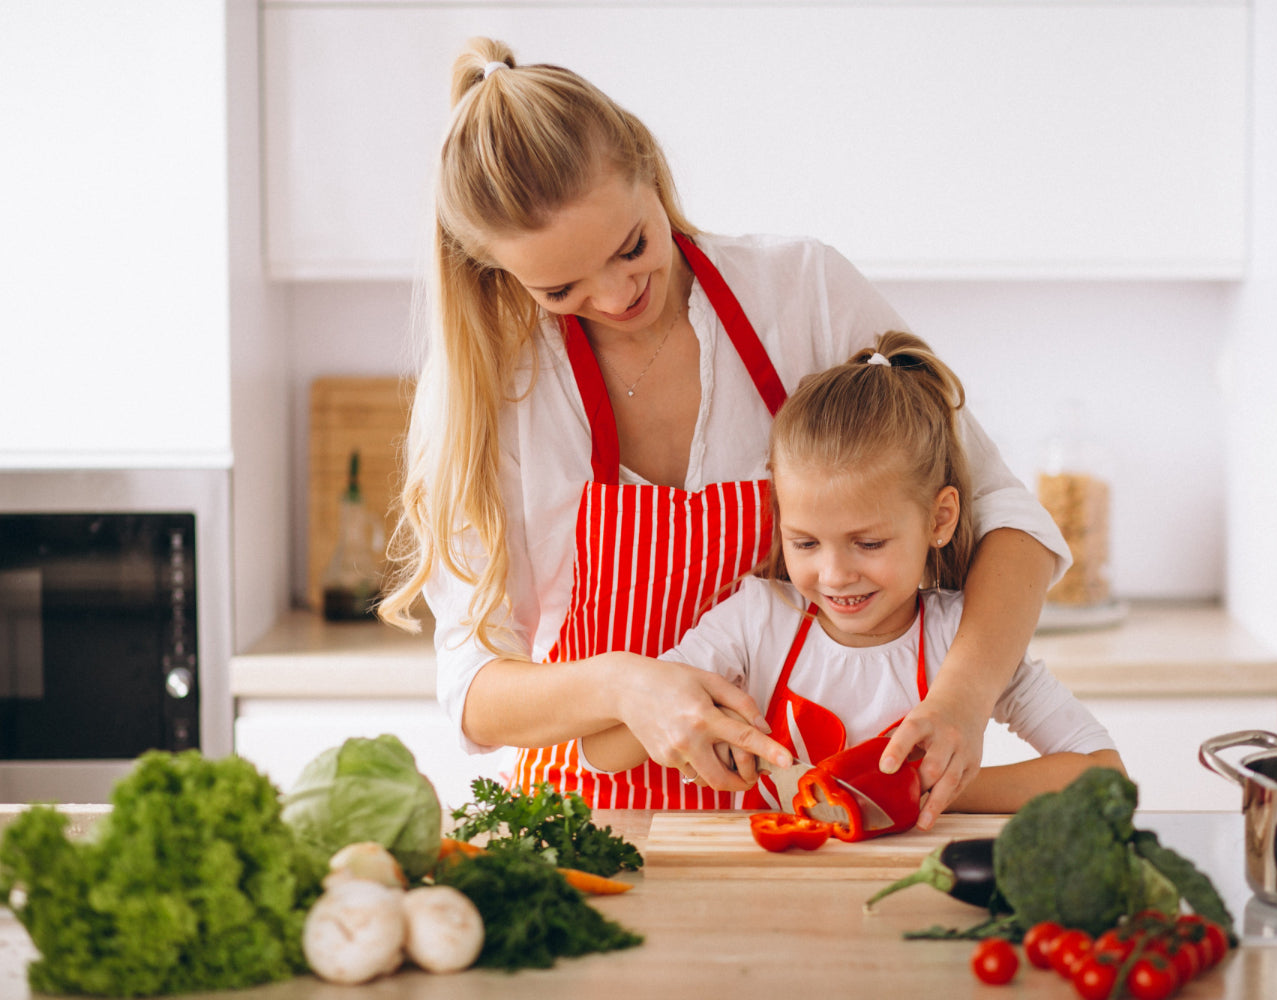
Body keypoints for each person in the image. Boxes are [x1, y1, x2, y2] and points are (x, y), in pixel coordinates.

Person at [378, 38, 1072, 826]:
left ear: (649, 170)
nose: (614, 296)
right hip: (589, 826)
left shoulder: (803, 293)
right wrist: (623, 686)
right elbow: (472, 688)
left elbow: (1007, 520)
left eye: (632, 246)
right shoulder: (488, 391)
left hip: (811, 819)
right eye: (561, 288)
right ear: (499, 273)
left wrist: (963, 698)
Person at [579, 332, 1124, 813]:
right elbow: (601, 753)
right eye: (805, 542)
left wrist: (925, 787)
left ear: (940, 519)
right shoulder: (754, 622)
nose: (834, 574)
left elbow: (1104, 779)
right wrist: (695, 721)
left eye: (868, 543)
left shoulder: (964, 643)